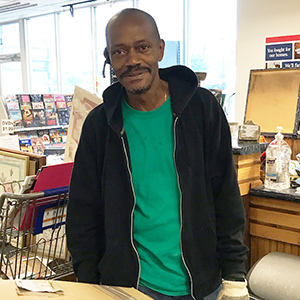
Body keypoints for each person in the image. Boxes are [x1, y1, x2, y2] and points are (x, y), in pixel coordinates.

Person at [66, 8, 249, 300]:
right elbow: (82, 213)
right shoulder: (100, 125)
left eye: (142, 47)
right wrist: (89, 281)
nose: (132, 60)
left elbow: (225, 194)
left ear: (160, 49)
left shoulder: (201, 109)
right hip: (130, 286)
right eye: (120, 51)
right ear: (109, 58)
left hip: (202, 284)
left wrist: (235, 275)